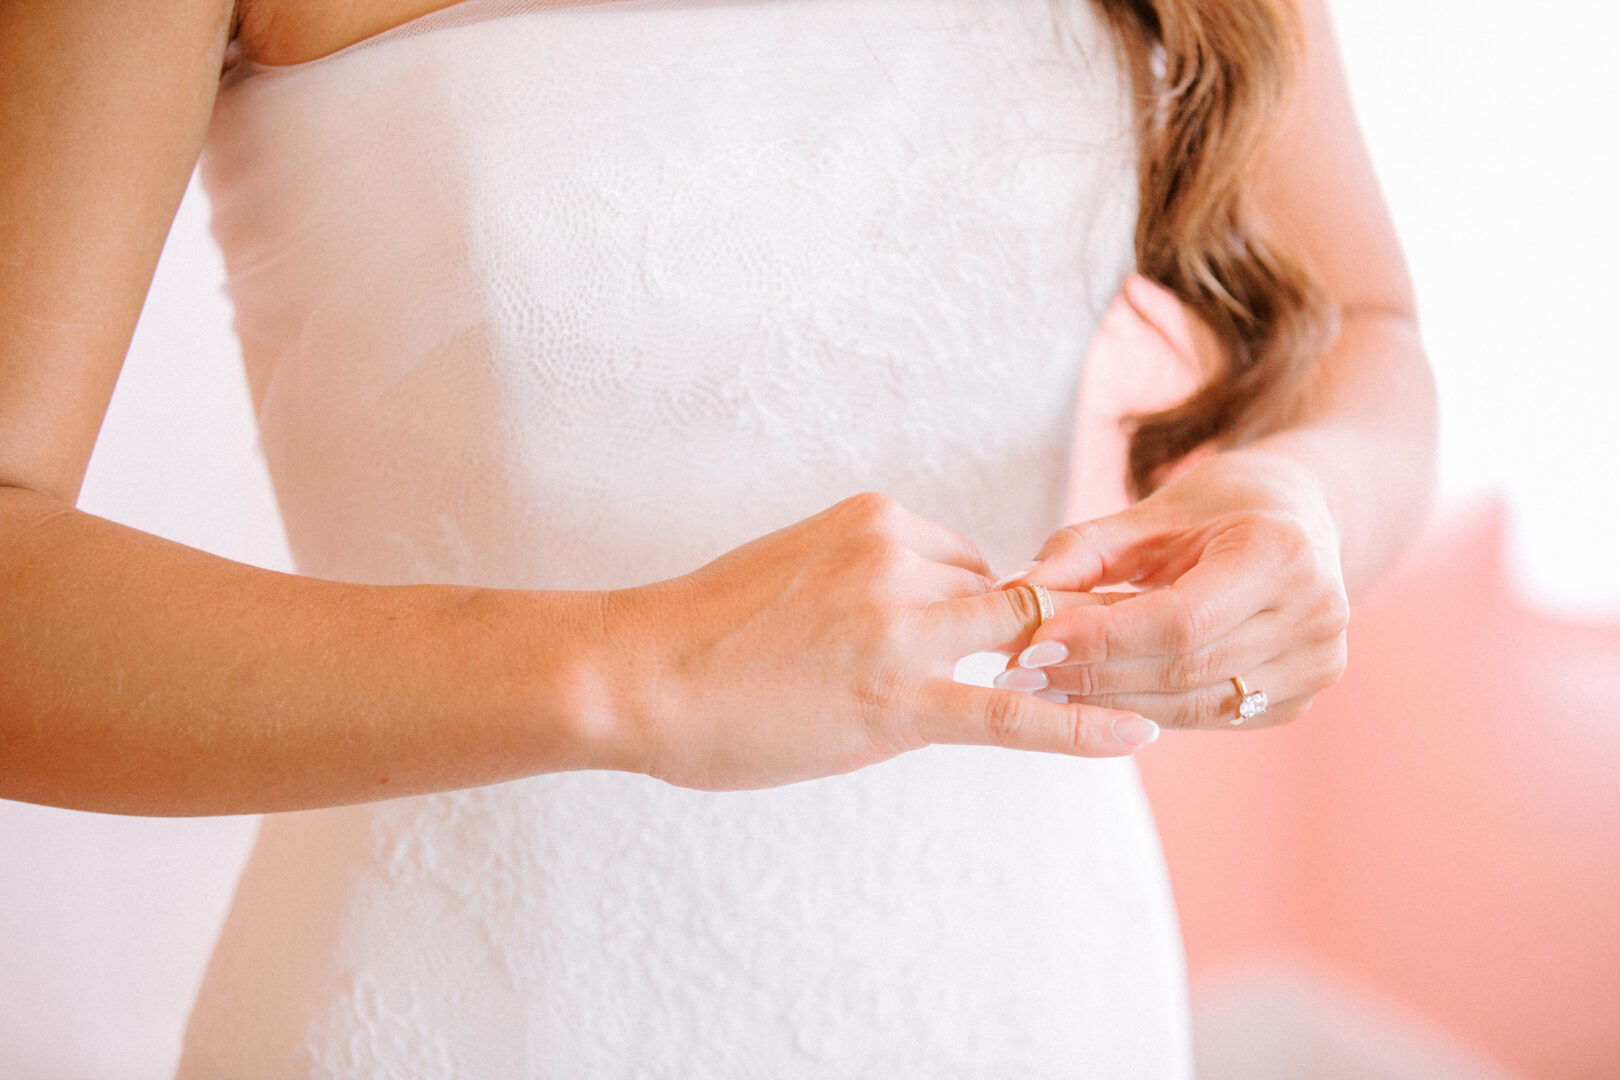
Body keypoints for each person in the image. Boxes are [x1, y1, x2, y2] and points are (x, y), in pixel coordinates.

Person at [0, 0, 1435, 1074]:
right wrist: (637, 668)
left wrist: (1308, 501)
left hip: (1029, 983)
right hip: (476, 1003)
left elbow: (1370, 329)